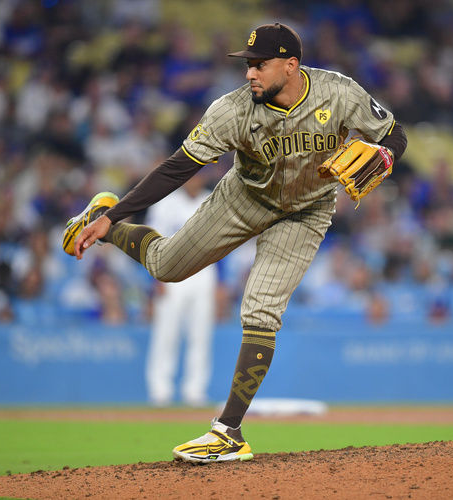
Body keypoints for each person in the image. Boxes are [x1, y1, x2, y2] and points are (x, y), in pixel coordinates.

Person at [63, 23, 407, 463]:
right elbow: (177, 168)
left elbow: (394, 133)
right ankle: (105, 226)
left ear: (291, 65)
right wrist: (115, 216)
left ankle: (227, 432)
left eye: (259, 65)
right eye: (248, 65)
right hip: (244, 198)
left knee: (261, 308)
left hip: (306, 210)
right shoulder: (232, 110)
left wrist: (387, 154)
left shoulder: (338, 93)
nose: (250, 74)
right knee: (167, 266)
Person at [144, 173, 218, 407]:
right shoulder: (166, 204)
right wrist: (156, 279)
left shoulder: (213, 199)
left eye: (199, 175)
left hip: (204, 273)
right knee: (166, 333)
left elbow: (224, 241)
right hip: (171, 274)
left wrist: (222, 282)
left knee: (201, 335)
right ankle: (160, 389)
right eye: (191, 175)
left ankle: (195, 390)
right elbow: (150, 243)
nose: (194, 179)